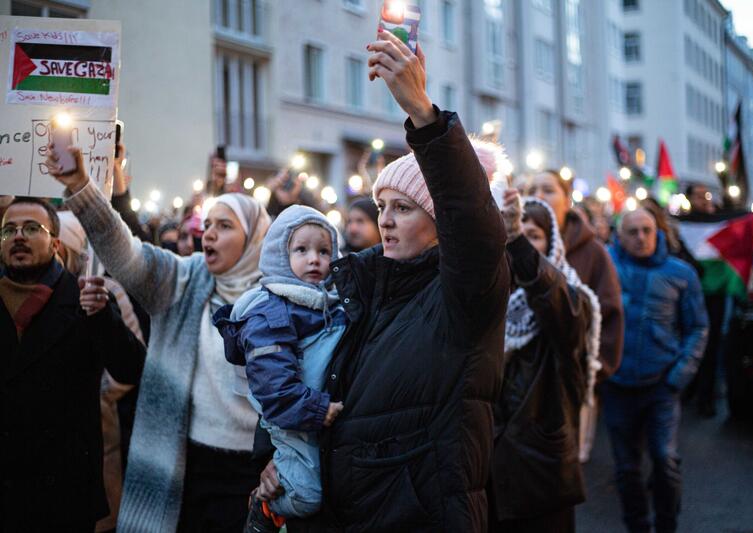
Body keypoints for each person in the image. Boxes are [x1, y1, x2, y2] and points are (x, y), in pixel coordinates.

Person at [261, 31, 510, 531]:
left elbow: (473, 224)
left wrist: (423, 112)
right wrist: (289, 462)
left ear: (442, 224)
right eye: (382, 208)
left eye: (404, 208)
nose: (387, 220)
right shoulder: (366, 287)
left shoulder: (464, 293)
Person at [46, 149, 271, 533]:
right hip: (184, 464)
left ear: (255, 238)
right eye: (208, 223)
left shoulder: (282, 300)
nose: (209, 233)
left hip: (255, 474)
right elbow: (125, 252)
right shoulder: (185, 278)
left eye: (226, 226)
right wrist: (80, 187)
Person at [1, 197, 146, 532]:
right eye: (8, 230)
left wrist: (101, 317)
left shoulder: (84, 298)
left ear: (55, 243)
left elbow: (132, 369)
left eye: (31, 228)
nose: (18, 236)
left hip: (62, 487)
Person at [215, 206, 347, 529]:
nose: (314, 259)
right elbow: (274, 385)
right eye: (301, 249)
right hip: (293, 419)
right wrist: (318, 409)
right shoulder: (270, 311)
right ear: (279, 254)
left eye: (324, 250)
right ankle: (264, 510)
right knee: (307, 493)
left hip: (310, 415)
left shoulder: (329, 301)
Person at [490, 193, 602, 532]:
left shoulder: (571, 298)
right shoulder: (487, 301)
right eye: (513, 233)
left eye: (533, 235)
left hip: (539, 474)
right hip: (488, 473)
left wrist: (517, 243)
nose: (521, 241)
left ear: (552, 243)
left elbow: (556, 305)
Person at [605, 209, 708, 533]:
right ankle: (637, 527)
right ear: (620, 235)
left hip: (660, 386)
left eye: (647, 230)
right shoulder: (606, 266)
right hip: (617, 385)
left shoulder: (680, 273)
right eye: (632, 231)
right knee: (626, 469)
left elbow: (698, 328)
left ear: (657, 231)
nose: (641, 238)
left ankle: (666, 525)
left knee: (664, 459)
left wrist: (679, 376)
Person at [524, 169, 624, 462]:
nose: (539, 196)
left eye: (548, 189)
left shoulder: (592, 252)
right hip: (523, 382)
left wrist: (592, 372)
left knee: (564, 467)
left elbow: (609, 313)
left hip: (571, 382)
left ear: (568, 200)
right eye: (533, 189)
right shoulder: (513, 246)